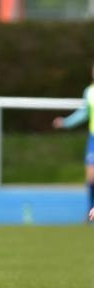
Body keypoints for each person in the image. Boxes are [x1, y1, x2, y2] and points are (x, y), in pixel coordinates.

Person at [52, 62, 94, 216]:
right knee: (91, 178)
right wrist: (66, 123)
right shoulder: (89, 92)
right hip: (93, 139)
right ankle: (90, 211)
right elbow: (84, 113)